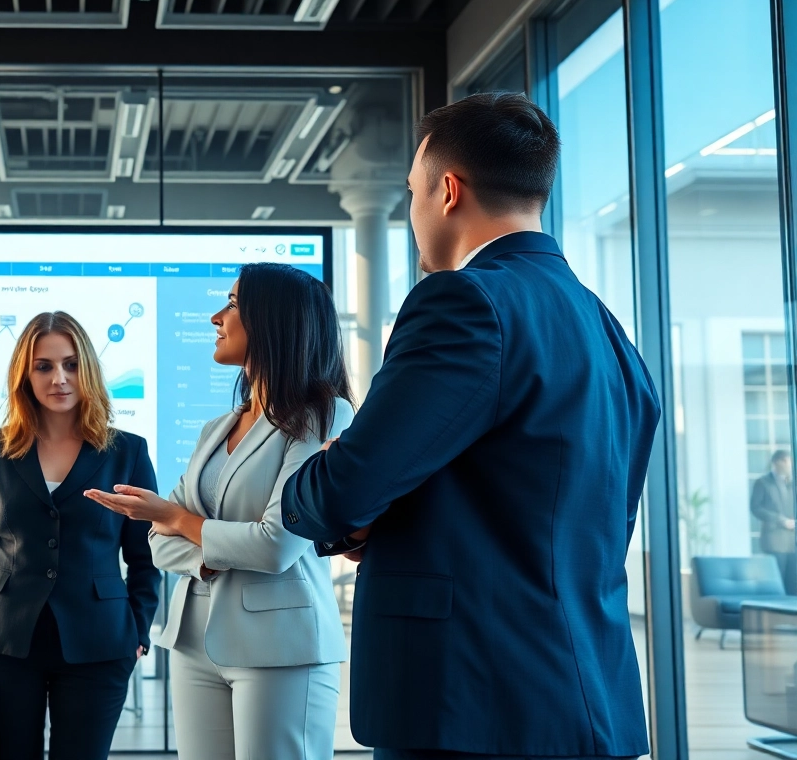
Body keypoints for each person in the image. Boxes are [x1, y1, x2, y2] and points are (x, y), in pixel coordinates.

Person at [280, 92, 660, 760]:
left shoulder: (466, 303)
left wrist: (338, 487)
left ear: (448, 191)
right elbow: (569, 513)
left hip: (473, 707)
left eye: (412, 194)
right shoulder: (609, 332)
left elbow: (341, 489)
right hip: (585, 701)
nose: (413, 212)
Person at [85, 263, 353, 760]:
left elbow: (276, 546)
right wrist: (200, 548)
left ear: (274, 320)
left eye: (231, 304)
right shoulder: (216, 428)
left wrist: (181, 520)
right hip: (194, 642)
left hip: (281, 648)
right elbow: (158, 542)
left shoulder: (325, 414)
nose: (216, 316)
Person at [0, 311, 161, 760]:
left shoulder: (127, 451)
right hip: (4, 640)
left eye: (70, 364)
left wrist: (137, 628)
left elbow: (146, 555)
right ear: (24, 375)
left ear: (86, 368)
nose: (59, 378)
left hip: (101, 641)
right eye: (44, 366)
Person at [752, 450, 796, 592]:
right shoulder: (763, 482)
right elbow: (755, 507)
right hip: (774, 541)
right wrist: (780, 520)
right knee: (777, 582)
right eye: (787, 462)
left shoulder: (792, 482)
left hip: (792, 542)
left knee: (793, 582)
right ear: (778, 462)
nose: (790, 465)